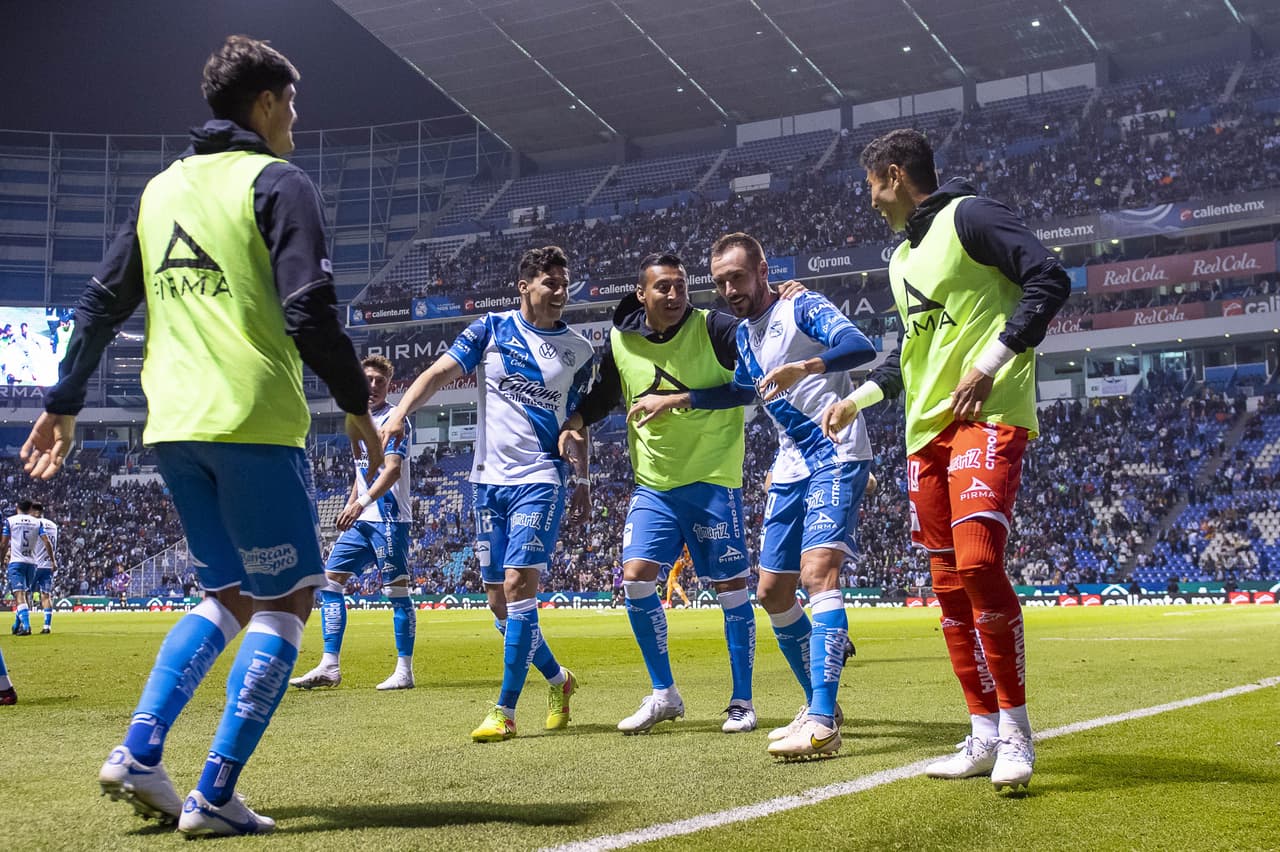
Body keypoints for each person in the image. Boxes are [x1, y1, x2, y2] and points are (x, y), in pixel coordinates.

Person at [21, 35, 382, 835]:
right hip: (253, 419)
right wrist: (356, 402)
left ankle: (141, 752)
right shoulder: (278, 182)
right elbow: (309, 309)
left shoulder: (161, 192)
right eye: (290, 100)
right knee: (287, 605)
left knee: (224, 594)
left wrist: (66, 400)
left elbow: (98, 305)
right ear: (263, 105)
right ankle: (215, 794)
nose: (296, 115)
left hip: (173, 427)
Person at [822, 129, 1070, 791]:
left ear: (894, 176)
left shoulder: (972, 216)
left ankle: (1017, 732)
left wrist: (989, 364)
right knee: (949, 589)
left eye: (872, 184)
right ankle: (983, 731)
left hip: (986, 417)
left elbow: (1048, 279)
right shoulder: (901, 260)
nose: (870, 199)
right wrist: (859, 401)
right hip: (923, 437)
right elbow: (911, 356)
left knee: (981, 565)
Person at [633, 232, 876, 758]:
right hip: (790, 465)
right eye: (720, 281)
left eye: (737, 277)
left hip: (836, 451)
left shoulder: (802, 306)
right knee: (772, 594)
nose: (729, 289)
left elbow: (862, 346)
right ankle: (822, 704)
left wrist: (805, 367)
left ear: (763, 271)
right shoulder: (744, 335)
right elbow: (744, 390)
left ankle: (822, 722)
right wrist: (676, 399)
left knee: (818, 575)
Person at [379, 245, 593, 742]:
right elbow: (436, 374)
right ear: (524, 286)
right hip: (485, 482)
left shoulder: (579, 350)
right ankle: (560, 682)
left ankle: (504, 710)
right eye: (551, 283)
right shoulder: (491, 329)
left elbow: (578, 424)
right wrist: (399, 413)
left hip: (540, 479)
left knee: (520, 587)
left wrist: (581, 479)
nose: (561, 292)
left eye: (565, 284)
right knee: (498, 602)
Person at [563, 252, 757, 735]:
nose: (674, 295)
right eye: (663, 287)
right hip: (653, 484)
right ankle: (664, 693)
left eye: (680, 286)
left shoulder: (717, 328)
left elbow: (750, 388)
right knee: (635, 577)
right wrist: (575, 422)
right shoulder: (621, 340)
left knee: (731, 589)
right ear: (641, 292)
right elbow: (606, 394)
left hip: (713, 478)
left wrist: (678, 399)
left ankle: (742, 701)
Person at [291, 355, 417, 692]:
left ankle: (404, 671)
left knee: (397, 593)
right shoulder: (356, 419)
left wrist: (360, 503)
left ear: (389, 385)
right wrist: (352, 502)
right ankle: (329, 665)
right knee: (330, 584)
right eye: (368, 380)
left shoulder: (395, 418)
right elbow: (364, 471)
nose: (373, 386)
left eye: (380, 380)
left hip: (389, 518)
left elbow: (390, 470)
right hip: (363, 518)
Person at [4, 499, 51, 636]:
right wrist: (52, 560)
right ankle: (17, 625)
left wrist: (2, 558)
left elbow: (3, 544)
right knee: (23, 595)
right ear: (30, 509)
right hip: (32, 563)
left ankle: (26, 626)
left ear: (17, 507)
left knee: (19, 595)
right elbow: (46, 541)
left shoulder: (10, 520)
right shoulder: (37, 522)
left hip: (17, 562)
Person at [30, 501, 59, 634]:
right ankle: (47, 626)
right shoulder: (53, 525)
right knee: (46, 596)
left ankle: (23, 624)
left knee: (23, 594)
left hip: (35, 564)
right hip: (48, 566)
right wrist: (53, 561)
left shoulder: (35, 524)